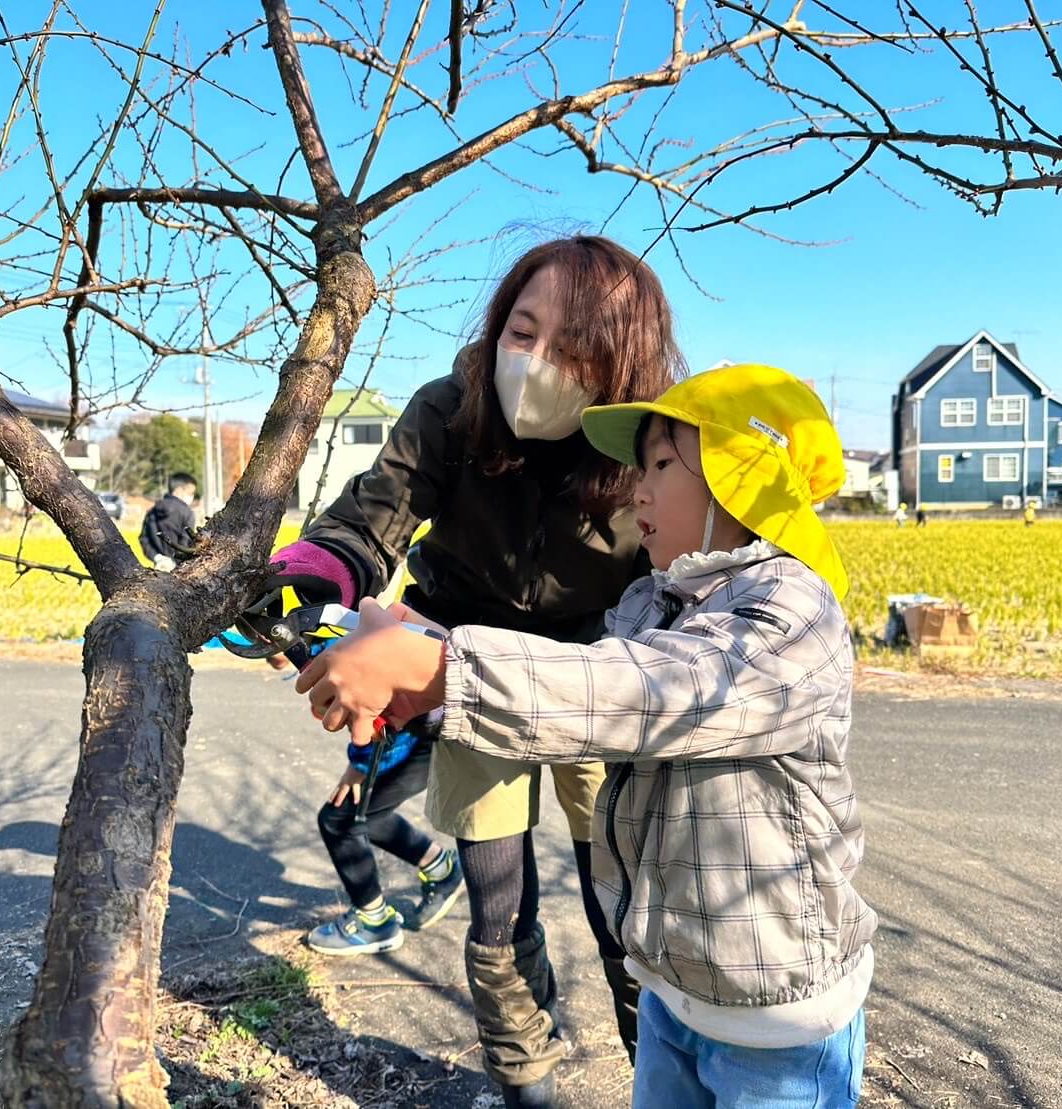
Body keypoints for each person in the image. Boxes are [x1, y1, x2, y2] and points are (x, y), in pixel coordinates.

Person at [299, 363, 876, 1109]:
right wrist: (428, 637)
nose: (637, 488)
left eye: (663, 463)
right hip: (673, 991)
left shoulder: (790, 612)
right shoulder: (656, 600)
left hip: (778, 1019)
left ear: (745, 476)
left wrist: (446, 670)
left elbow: (635, 693)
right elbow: (574, 676)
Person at [262, 235, 683, 1104]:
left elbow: (681, 576)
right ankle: (524, 1077)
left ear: (623, 366)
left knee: (623, 903)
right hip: (462, 665)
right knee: (498, 904)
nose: (533, 364)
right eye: (521, 332)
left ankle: (661, 1075)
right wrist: (302, 584)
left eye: (572, 350)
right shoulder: (452, 409)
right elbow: (367, 522)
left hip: (597, 679)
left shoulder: (652, 443)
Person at [307, 697, 465, 955]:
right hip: (430, 725)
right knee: (368, 815)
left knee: (340, 820)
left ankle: (374, 924)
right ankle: (442, 869)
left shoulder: (317, 653)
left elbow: (376, 697)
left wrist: (362, 763)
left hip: (418, 731)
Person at [139, 472, 198, 570]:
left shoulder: (152, 511)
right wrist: (174, 561)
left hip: (159, 566)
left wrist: (157, 557)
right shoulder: (187, 513)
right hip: (178, 568)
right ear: (179, 490)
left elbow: (144, 539)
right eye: (190, 493)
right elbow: (186, 542)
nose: (192, 497)